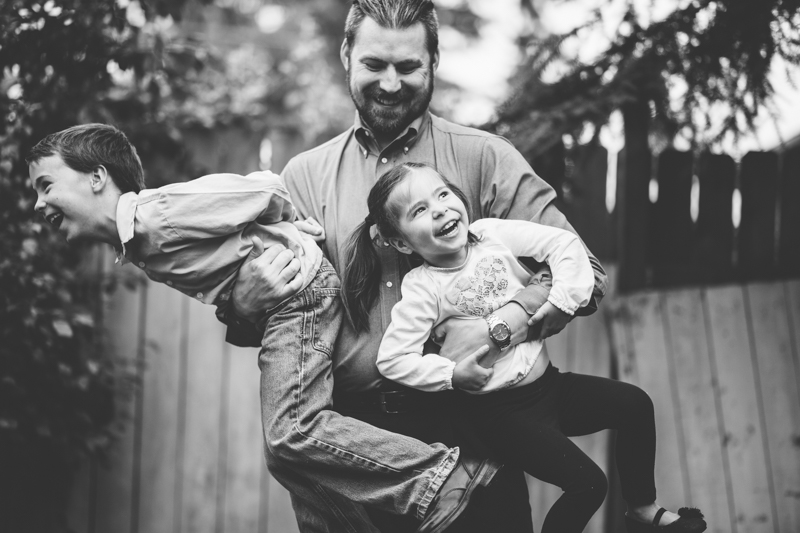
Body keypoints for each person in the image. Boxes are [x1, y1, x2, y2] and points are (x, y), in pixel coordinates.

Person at [222, 0, 610, 531]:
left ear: (434, 61)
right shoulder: (304, 178)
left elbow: (584, 271)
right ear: (346, 56)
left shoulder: (483, 158)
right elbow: (278, 321)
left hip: (474, 430)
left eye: (408, 67)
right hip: (348, 445)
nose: (389, 83)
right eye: (374, 64)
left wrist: (510, 319)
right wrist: (245, 305)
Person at [26, 123, 507, 533]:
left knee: (292, 431)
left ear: (96, 178)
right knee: (287, 453)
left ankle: (439, 478)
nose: (37, 202)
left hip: (301, 295)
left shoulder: (158, 213)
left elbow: (261, 189)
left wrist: (291, 224)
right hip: (285, 305)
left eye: (46, 185)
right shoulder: (140, 241)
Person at [343, 162, 709, 533]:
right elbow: (392, 359)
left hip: (552, 388)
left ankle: (642, 508)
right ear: (402, 242)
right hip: (500, 414)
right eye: (419, 210)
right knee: (588, 484)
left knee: (635, 404)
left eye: (442, 194)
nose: (438, 208)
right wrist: (451, 375)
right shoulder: (423, 288)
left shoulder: (490, 235)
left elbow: (563, 244)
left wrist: (562, 302)